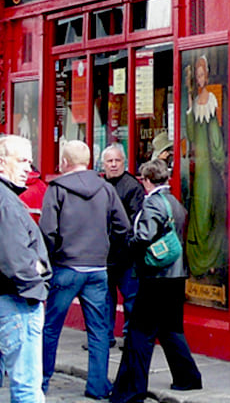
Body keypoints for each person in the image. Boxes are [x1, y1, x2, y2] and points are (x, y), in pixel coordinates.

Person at [39, 140, 130, 400]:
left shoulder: (56, 189)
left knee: (51, 328)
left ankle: (41, 383)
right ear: (89, 161)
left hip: (66, 267)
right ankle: (98, 386)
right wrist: (105, 249)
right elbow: (122, 226)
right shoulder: (105, 188)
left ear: (64, 162)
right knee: (99, 331)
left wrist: (51, 257)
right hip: (98, 268)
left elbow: (47, 231)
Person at [110, 159, 202, 403]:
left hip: (155, 276)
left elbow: (142, 237)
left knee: (140, 334)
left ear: (147, 180)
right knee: (171, 329)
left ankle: (131, 391)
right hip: (176, 275)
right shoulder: (175, 202)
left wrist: (126, 248)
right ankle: (188, 377)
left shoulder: (152, 204)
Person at [0, 134, 51, 403]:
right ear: (1, 163)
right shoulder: (6, 202)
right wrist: (38, 284)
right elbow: (15, 258)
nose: (27, 169)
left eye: (30, 162)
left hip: (12, 298)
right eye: (21, 161)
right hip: (16, 302)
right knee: (27, 388)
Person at [183, 55, 227, 279]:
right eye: (197, 76)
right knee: (200, 212)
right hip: (200, 167)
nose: (200, 79)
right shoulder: (198, 99)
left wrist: (219, 163)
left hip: (206, 168)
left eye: (202, 75)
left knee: (204, 212)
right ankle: (202, 260)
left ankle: (209, 259)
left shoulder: (210, 100)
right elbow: (191, 134)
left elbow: (215, 137)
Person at [101, 144, 144, 349]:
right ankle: (105, 336)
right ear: (103, 165)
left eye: (117, 160)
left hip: (126, 253)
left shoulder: (132, 186)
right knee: (105, 298)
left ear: (124, 163)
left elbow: (135, 221)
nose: (114, 164)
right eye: (110, 161)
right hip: (103, 253)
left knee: (131, 298)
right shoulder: (99, 184)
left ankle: (130, 337)